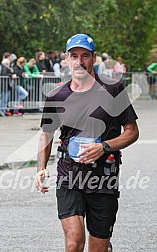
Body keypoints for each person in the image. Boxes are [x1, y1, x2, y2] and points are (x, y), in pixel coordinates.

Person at [35, 33, 139, 252]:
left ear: (94, 58)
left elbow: (132, 132)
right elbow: (46, 133)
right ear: (66, 59)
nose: (79, 62)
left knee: (97, 248)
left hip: (104, 177)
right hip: (69, 173)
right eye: (74, 56)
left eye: (84, 56)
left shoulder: (114, 90)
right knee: (73, 242)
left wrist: (104, 146)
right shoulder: (56, 96)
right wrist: (41, 168)